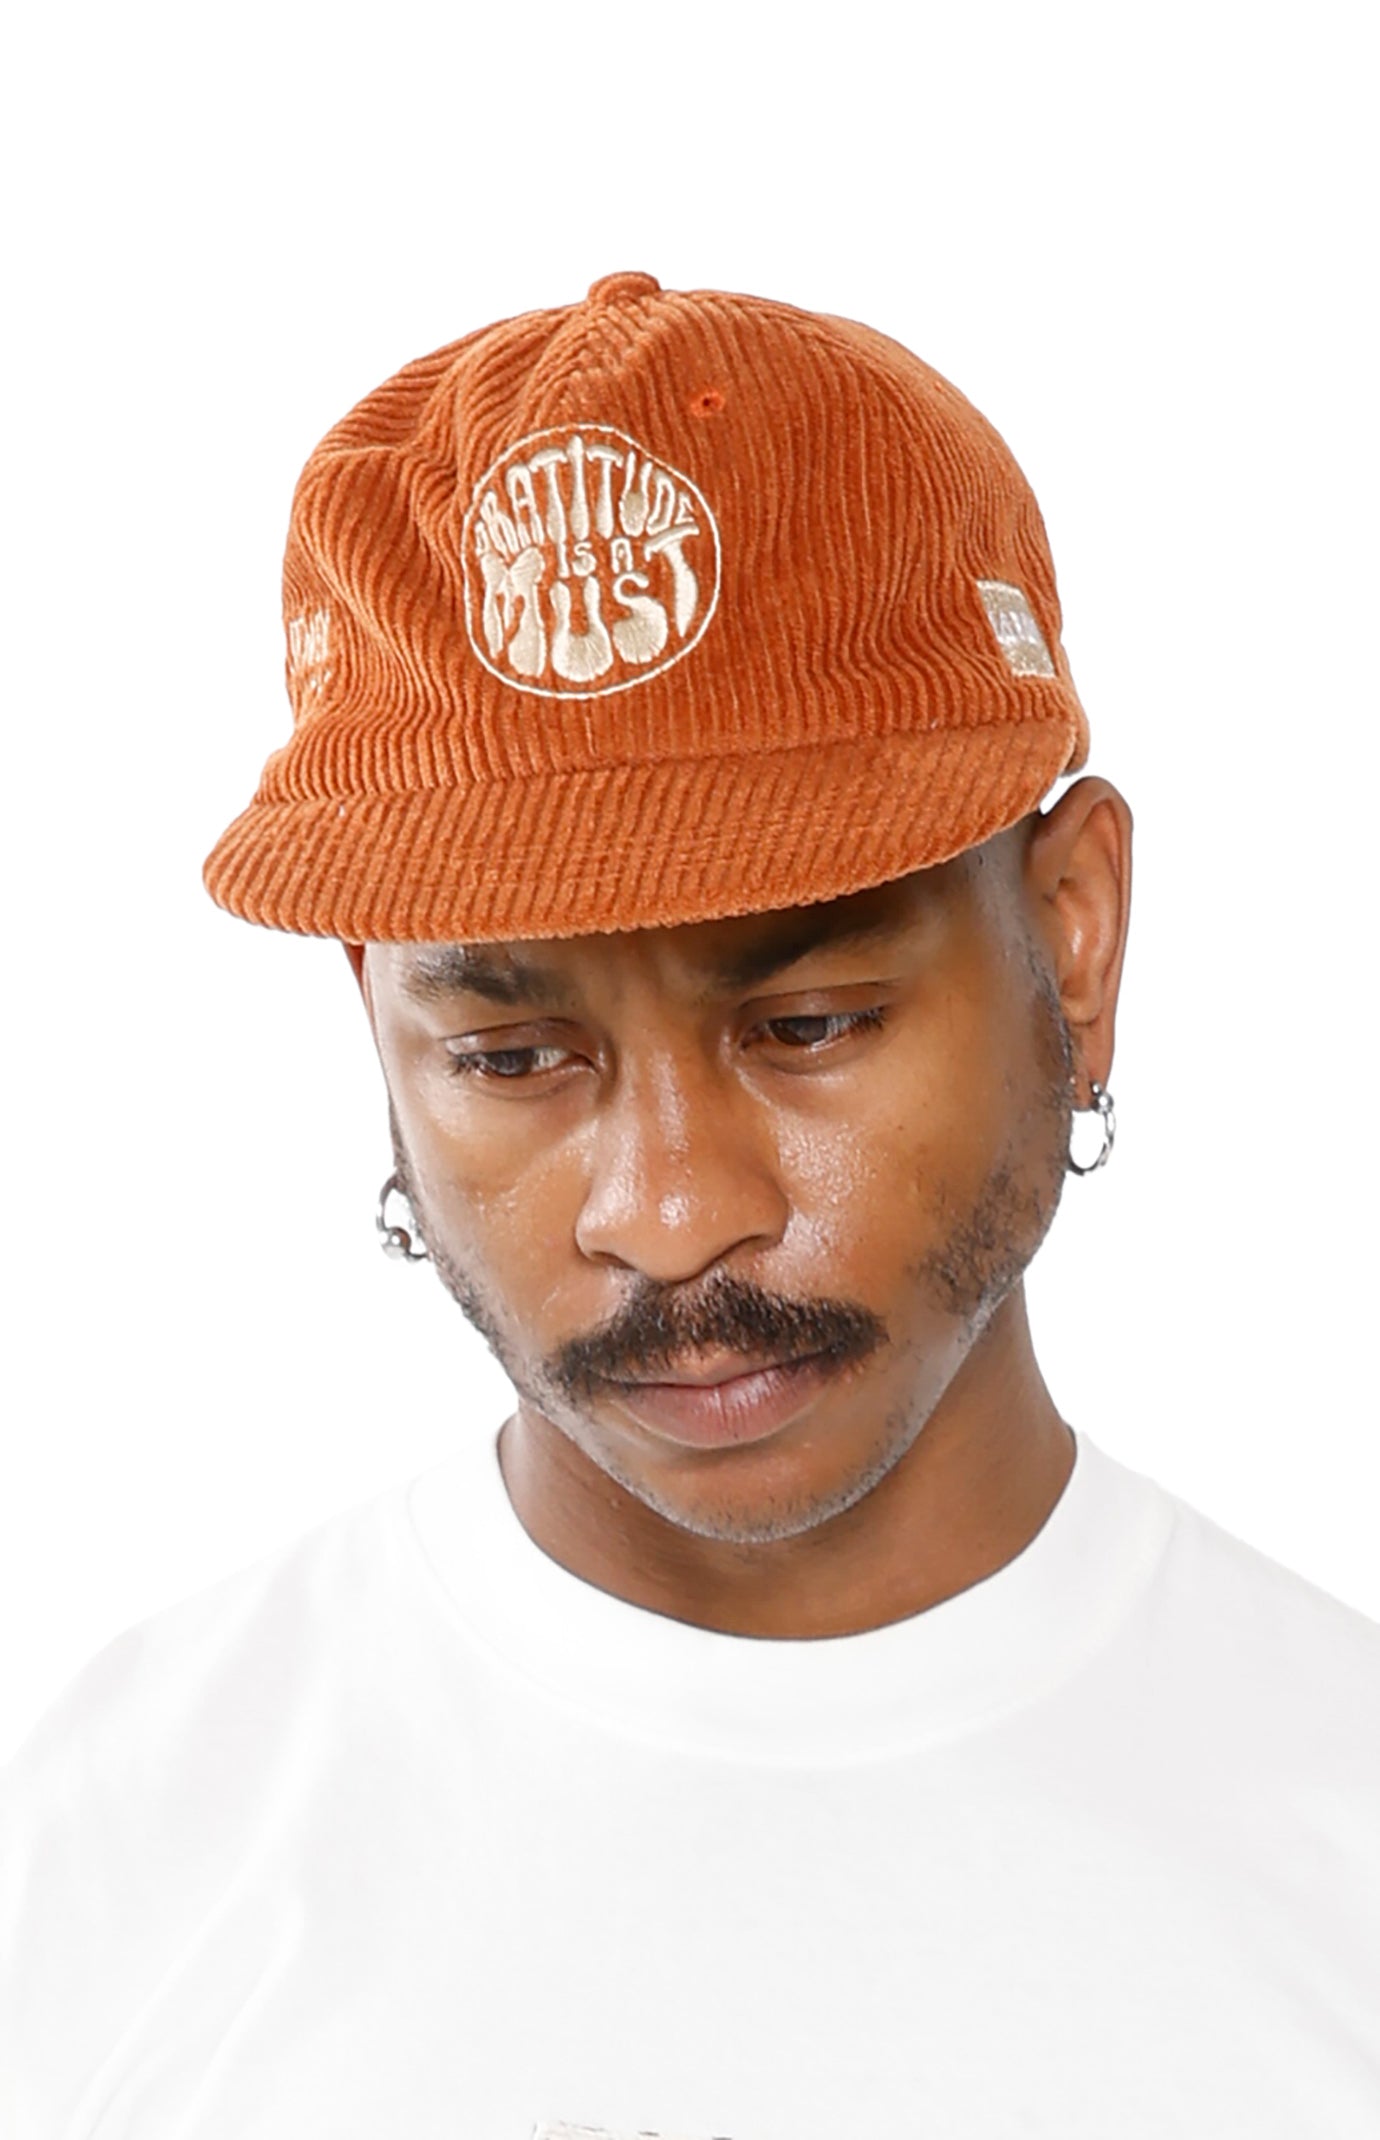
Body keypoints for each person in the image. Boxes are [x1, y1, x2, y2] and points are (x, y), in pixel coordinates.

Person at [2, 271, 1377, 2138]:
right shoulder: (100, 1873)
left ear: (1075, 935)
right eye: (510, 1057)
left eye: (808, 1024)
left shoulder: (1343, 1845)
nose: (664, 1214)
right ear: (373, 1023)